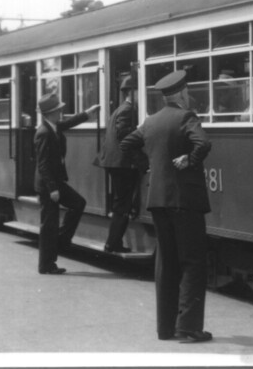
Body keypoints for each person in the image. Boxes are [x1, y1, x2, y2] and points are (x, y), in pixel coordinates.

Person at [120, 71, 213, 343]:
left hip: (158, 200)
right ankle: (189, 328)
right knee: (193, 261)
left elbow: (126, 144)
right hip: (185, 200)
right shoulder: (187, 117)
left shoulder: (151, 121)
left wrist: (148, 165)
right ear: (182, 94)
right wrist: (189, 159)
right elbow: (203, 143)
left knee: (166, 262)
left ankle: (166, 328)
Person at [34, 92, 100, 275]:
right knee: (48, 225)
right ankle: (46, 265)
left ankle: (61, 243)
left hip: (55, 182)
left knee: (78, 203)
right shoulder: (44, 133)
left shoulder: (53, 127)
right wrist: (53, 189)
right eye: (58, 111)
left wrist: (87, 113)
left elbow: (68, 123)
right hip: (49, 186)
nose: (60, 113)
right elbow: (43, 165)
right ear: (49, 114)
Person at [94, 75, 147, 253]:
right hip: (122, 164)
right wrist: (142, 161)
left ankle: (113, 241)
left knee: (121, 202)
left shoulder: (122, 108)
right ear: (132, 92)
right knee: (122, 204)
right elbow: (124, 136)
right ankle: (113, 243)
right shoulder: (128, 110)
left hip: (116, 162)